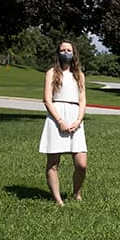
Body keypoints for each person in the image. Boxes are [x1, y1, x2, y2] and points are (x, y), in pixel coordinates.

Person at [38, 40, 87, 206]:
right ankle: (58, 200)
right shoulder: (51, 73)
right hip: (56, 118)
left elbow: (82, 100)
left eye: (69, 50)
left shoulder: (79, 74)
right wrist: (59, 121)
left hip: (75, 119)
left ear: (74, 53)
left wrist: (78, 120)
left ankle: (77, 193)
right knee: (53, 163)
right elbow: (47, 99)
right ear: (58, 53)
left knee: (82, 164)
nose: (66, 52)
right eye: (63, 50)